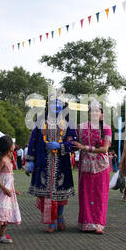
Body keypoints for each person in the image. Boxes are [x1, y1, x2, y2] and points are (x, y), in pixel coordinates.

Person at [26, 97, 76, 233]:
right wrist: (30, 160)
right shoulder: (40, 121)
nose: (57, 106)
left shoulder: (68, 122)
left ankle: (60, 216)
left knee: (61, 193)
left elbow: (73, 144)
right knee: (47, 195)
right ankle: (51, 221)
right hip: (43, 163)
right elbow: (33, 141)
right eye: (54, 103)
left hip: (62, 163)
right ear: (48, 105)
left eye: (60, 104)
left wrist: (60, 145)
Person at [73, 99, 112, 234]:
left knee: (100, 196)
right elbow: (72, 140)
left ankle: (99, 223)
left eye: (97, 111)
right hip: (85, 165)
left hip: (101, 166)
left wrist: (84, 147)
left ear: (101, 114)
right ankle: (86, 223)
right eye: (92, 111)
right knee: (86, 194)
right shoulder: (81, 127)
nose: (94, 113)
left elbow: (104, 149)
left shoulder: (106, 128)